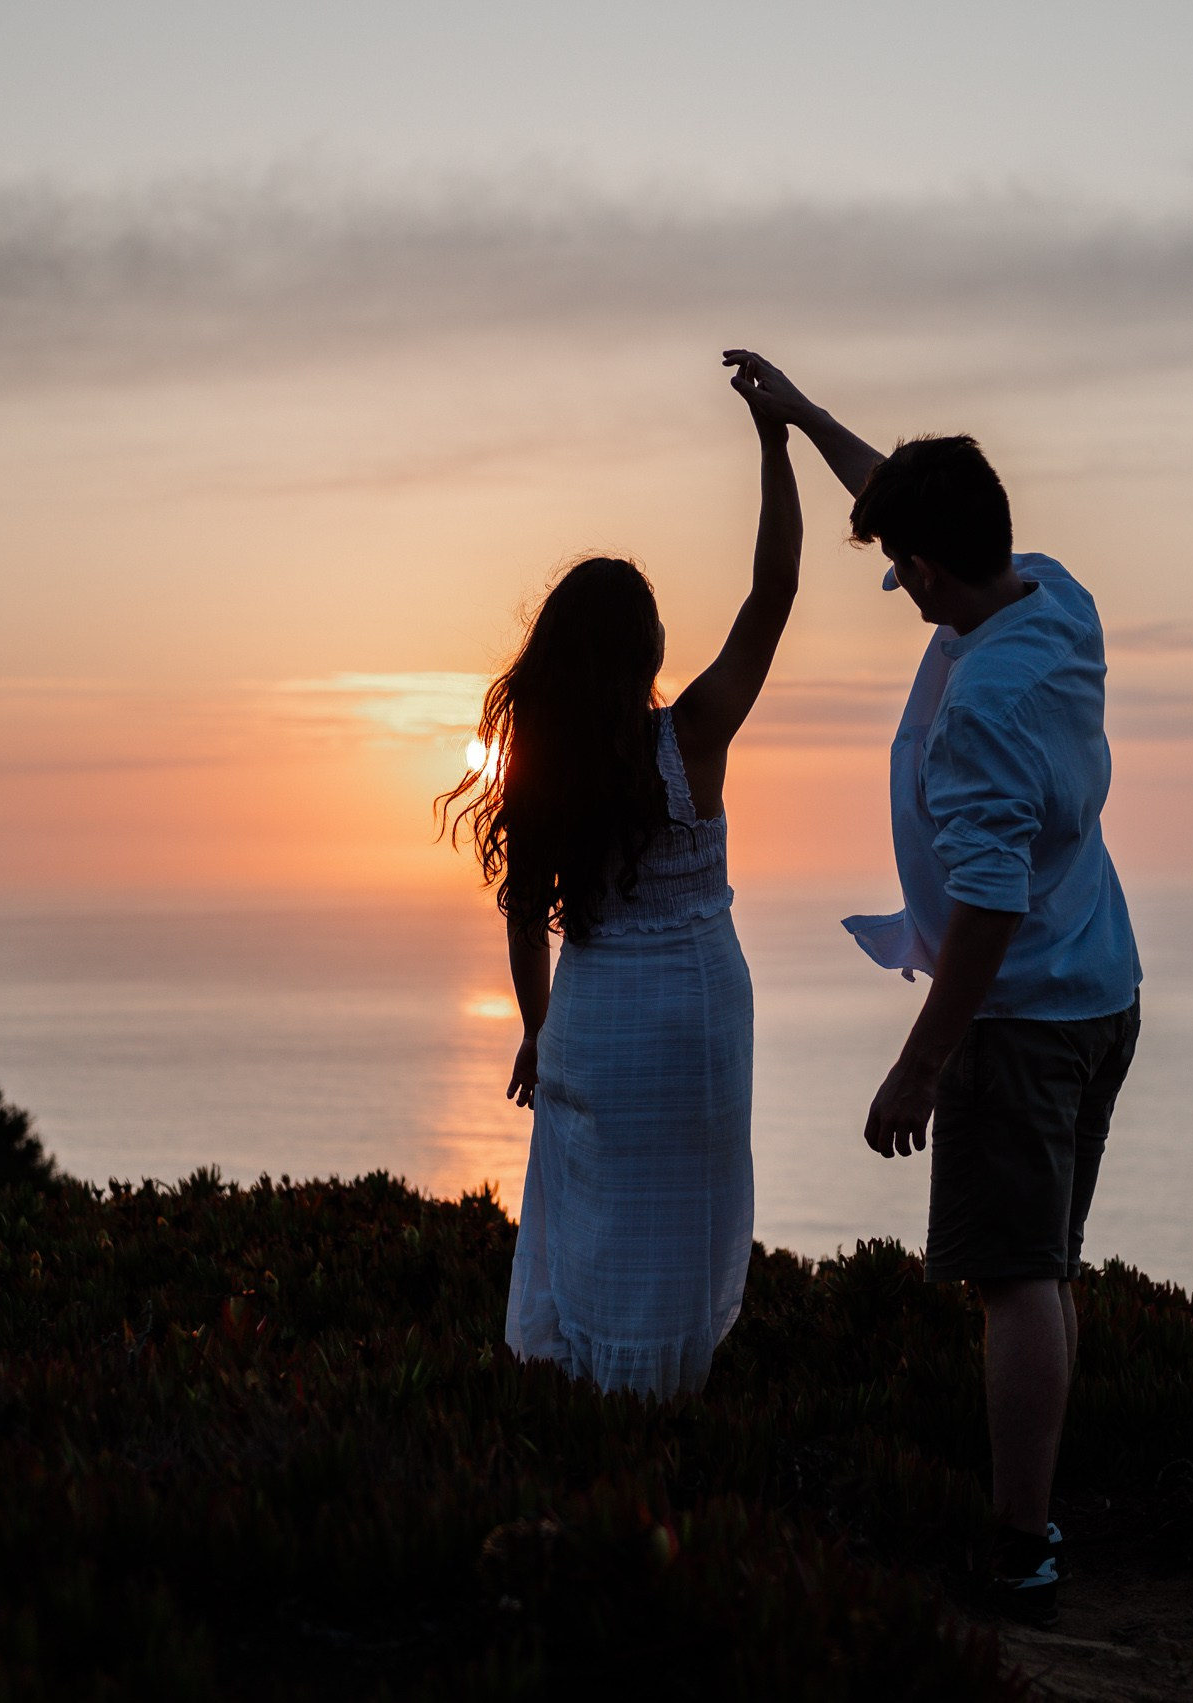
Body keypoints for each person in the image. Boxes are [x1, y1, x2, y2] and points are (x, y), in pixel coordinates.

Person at [724, 350, 1142, 1627]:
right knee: (1045, 1266)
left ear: (939, 564)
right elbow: (911, 509)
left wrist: (919, 1061)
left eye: (900, 565)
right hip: (1101, 989)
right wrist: (801, 421)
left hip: (1017, 1018)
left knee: (1014, 1279)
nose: (894, 581)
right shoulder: (1050, 600)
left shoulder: (983, 707)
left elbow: (987, 908)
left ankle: (1021, 1544)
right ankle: (1039, 1510)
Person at [440, 360, 802, 1399]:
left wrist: (537, 1025)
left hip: (593, 1018)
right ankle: (674, 1402)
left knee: (591, 1219)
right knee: (685, 1224)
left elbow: (522, 916)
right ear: (647, 645)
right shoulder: (692, 736)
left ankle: (593, 1412)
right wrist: (774, 447)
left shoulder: (546, 769)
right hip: (695, 1012)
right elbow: (772, 593)